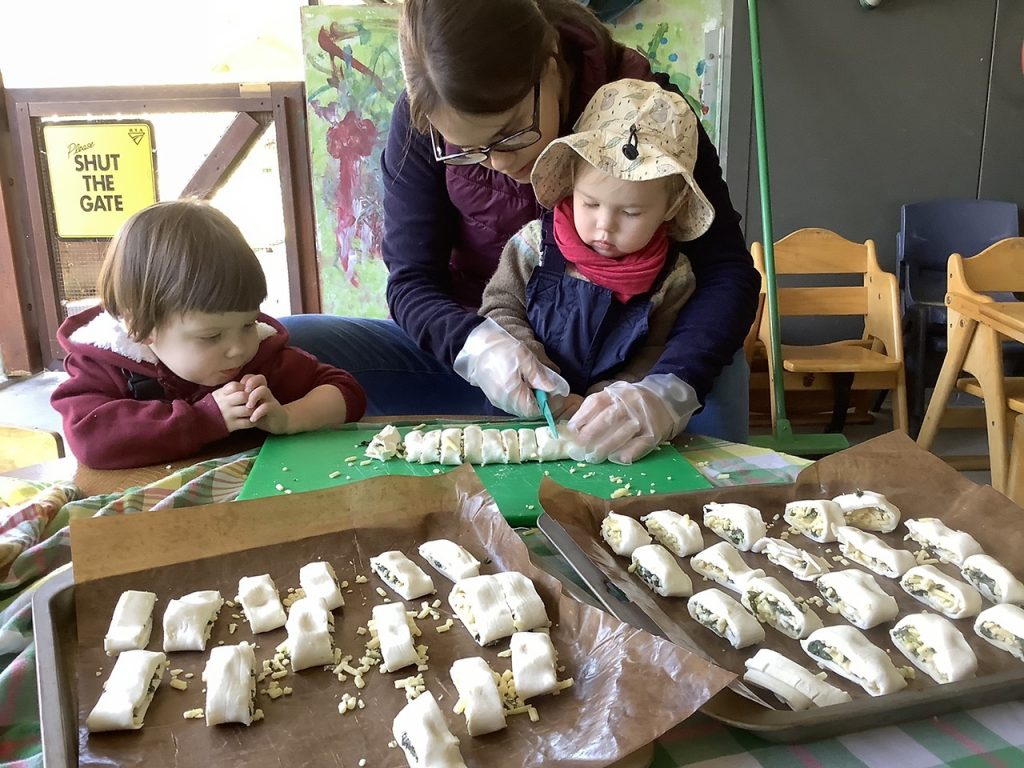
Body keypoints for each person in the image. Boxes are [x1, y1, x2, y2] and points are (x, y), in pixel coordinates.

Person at [281, 0, 759, 453]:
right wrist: (479, 348)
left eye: (511, 130)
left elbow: (728, 273)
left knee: (715, 380)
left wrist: (668, 388)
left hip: (633, 363)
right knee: (291, 345)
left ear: (549, 64)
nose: (500, 162)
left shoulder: (648, 116)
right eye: (468, 149)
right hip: (491, 349)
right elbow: (411, 283)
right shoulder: (421, 123)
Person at [464, 79, 711, 463]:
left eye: (630, 213)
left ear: (671, 207)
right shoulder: (533, 247)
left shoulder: (673, 278)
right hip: (520, 421)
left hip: (608, 435)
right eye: (590, 203)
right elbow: (500, 308)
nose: (604, 226)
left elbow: (655, 353)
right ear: (572, 184)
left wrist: (615, 397)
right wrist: (530, 365)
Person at [51, 200, 367, 469]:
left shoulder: (261, 358)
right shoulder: (106, 368)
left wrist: (287, 417)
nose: (238, 349)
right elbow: (89, 438)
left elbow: (346, 392)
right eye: (211, 336)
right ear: (140, 327)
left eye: (247, 324)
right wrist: (205, 418)